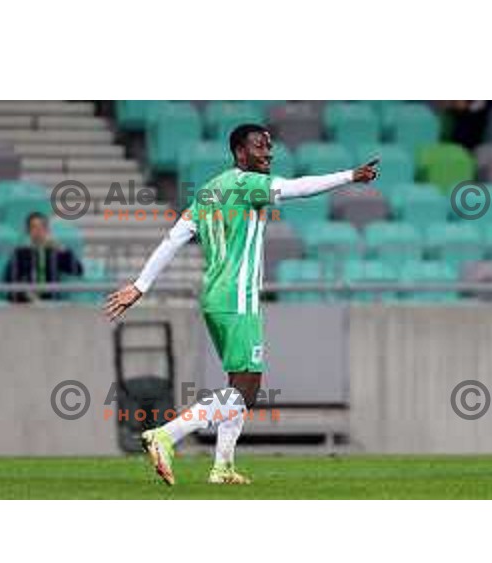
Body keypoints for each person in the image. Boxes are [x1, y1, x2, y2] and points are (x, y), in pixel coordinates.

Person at [104, 124, 378, 485]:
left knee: (236, 384)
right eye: (259, 147)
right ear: (239, 153)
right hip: (238, 297)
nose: (268, 152)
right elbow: (297, 188)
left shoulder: (209, 191)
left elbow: (173, 239)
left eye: (269, 146)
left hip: (215, 298)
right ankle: (165, 435)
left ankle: (223, 467)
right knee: (247, 390)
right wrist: (350, 175)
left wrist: (140, 285)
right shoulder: (248, 184)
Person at [3, 212, 83, 303]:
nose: (38, 231)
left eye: (42, 227)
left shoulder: (54, 253)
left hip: (51, 303)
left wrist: (62, 248)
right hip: (24, 302)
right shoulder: (19, 253)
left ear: (47, 230)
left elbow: (78, 270)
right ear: (28, 231)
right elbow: (9, 279)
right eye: (34, 227)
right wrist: (29, 295)